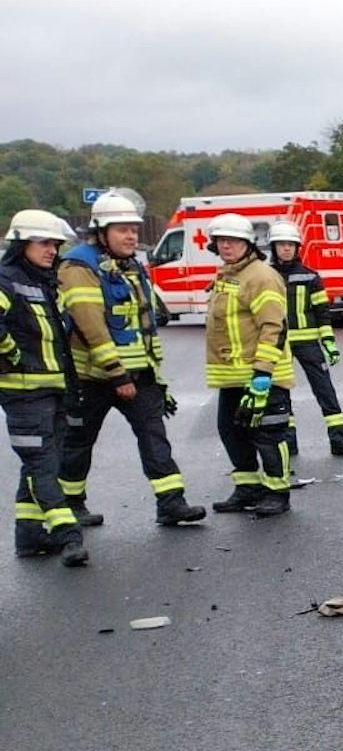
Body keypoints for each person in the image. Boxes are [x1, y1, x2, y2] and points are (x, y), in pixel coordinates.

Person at [55, 192, 205, 527]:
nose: (131, 236)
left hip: (139, 373)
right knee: (78, 441)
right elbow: (89, 322)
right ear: (100, 231)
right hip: (93, 377)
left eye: (134, 230)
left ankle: (171, 502)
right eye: (122, 229)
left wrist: (154, 375)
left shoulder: (131, 266)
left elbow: (144, 324)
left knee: (154, 435)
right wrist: (116, 373)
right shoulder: (79, 266)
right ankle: (70, 505)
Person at [1, 210, 88, 566]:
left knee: (37, 462)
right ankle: (68, 535)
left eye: (54, 244)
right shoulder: (6, 279)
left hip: (52, 389)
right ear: (22, 243)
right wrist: (14, 355)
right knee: (42, 463)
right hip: (23, 393)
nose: (51, 250)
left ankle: (30, 536)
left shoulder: (46, 282)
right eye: (43, 242)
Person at [203, 213, 294, 518]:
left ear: (248, 244)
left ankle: (277, 491)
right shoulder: (228, 276)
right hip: (232, 376)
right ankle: (248, 488)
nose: (226, 246)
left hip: (261, 376)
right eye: (221, 241)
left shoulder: (261, 276)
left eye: (233, 241)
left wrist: (262, 373)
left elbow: (273, 326)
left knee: (268, 433)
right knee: (231, 431)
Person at [268, 221, 343, 458]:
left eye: (290, 244)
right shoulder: (267, 278)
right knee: (281, 394)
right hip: (278, 345)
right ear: (274, 247)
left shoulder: (310, 277)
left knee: (325, 390)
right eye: (281, 244)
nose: (286, 249)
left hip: (308, 343)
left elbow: (322, 313)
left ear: (297, 248)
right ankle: (289, 444)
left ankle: (339, 440)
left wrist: (329, 342)